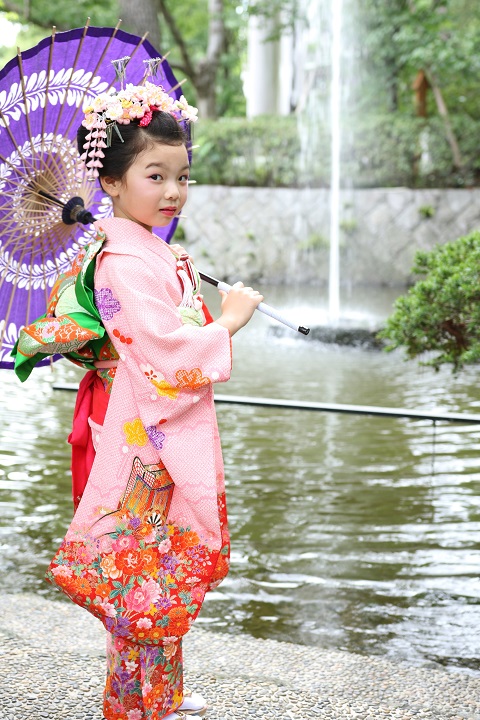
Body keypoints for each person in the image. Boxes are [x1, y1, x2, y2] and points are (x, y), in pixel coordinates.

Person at [13, 73, 263, 720]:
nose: (174, 191)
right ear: (111, 183)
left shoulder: (150, 250)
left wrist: (189, 288)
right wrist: (227, 323)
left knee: (163, 560)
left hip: (156, 423)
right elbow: (164, 355)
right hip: (135, 428)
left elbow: (171, 334)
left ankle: (164, 693)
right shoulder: (120, 262)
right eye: (156, 176)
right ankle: (132, 705)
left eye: (183, 177)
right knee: (137, 570)